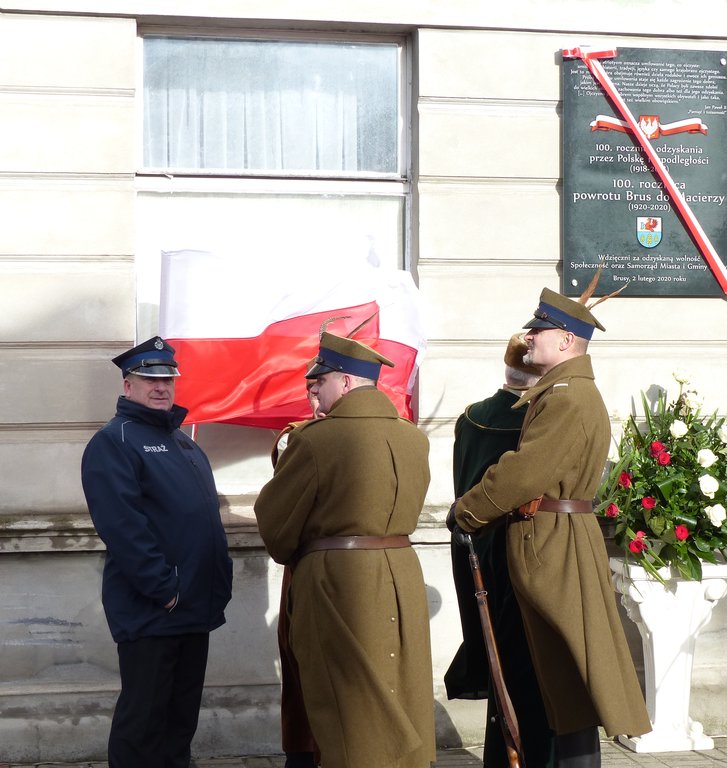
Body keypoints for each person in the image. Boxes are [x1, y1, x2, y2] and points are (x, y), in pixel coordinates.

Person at [450, 288, 652, 768]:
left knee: (559, 674)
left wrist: (467, 510)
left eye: (538, 330)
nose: (529, 337)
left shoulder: (565, 396)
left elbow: (524, 472)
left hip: (551, 545)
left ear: (565, 340)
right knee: (556, 677)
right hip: (554, 540)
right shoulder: (564, 391)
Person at [254, 333, 434, 768]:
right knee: (398, 692)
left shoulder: (316, 440)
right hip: (402, 575)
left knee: (344, 710)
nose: (314, 388)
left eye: (322, 380)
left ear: (348, 382)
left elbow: (276, 526)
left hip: (338, 582)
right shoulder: (414, 438)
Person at [80, 336, 233, 768]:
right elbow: (123, 527)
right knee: (143, 728)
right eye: (150, 379)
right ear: (128, 385)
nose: (161, 386)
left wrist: (217, 581)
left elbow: (204, 520)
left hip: (194, 607)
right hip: (153, 610)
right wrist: (165, 589)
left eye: (167, 378)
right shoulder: (114, 441)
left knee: (178, 726)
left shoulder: (185, 443)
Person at [445, 333, 555, 768]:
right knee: (521, 660)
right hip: (516, 543)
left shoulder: (470, 416)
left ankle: (501, 750)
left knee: (495, 654)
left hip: (473, 541)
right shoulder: (537, 418)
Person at [270, 375, 322, 768]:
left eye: (323, 386)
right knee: (302, 663)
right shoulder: (295, 438)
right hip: (306, 566)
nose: (316, 396)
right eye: (311, 390)